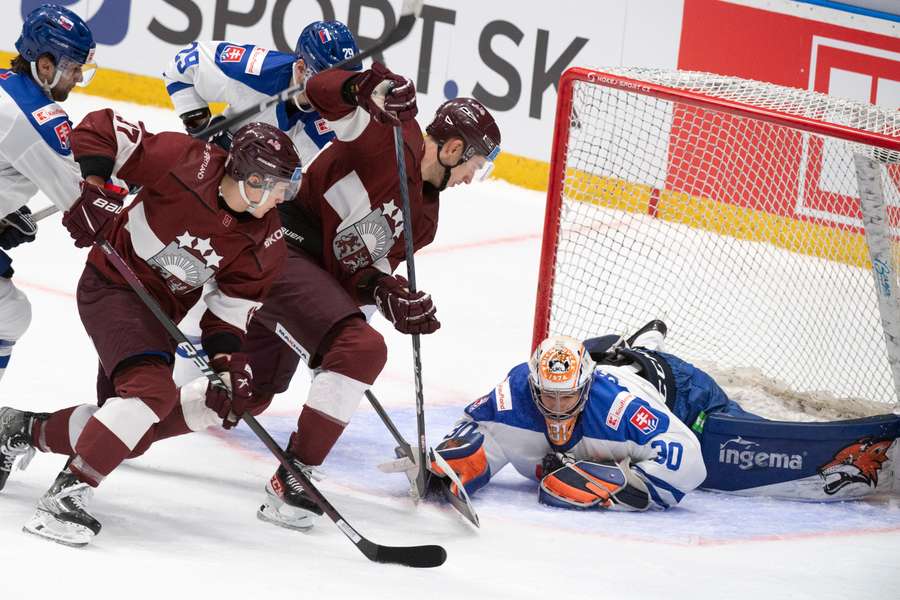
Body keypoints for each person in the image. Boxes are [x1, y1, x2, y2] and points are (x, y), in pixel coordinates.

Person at [0, 114, 300, 547]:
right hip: (113, 286)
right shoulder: (186, 160)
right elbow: (102, 128)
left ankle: (21, 428)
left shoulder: (267, 242)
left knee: (130, 433)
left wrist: (226, 364)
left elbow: (230, 310)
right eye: (272, 186)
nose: (278, 198)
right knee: (149, 394)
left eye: (284, 188)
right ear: (246, 176)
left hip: (158, 316)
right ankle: (62, 499)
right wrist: (96, 187)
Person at [414, 321, 900, 511]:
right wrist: (450, 468)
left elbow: (687, 461)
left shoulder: (622, 406)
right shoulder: (516, 391)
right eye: (549, 396)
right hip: (619, 365)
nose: (559, 408)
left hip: (680, 391)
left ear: (586, 386)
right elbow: (479, 436)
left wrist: (615, 483)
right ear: (534, 385)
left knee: (732, 440)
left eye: (570, 397)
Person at [0, 4, 96, 392]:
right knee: (10, 314)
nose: (76, 78)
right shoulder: (37, 117)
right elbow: (83, 200)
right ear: (44, 64)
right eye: (73, 68)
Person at [163, 19, 360, 162]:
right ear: (301, 69)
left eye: (345, 79)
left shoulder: (347, 119)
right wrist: (201, 130)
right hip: (219, 167)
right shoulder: (255, 71)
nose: (337, 89)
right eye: (328, 78)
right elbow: (182, 65)